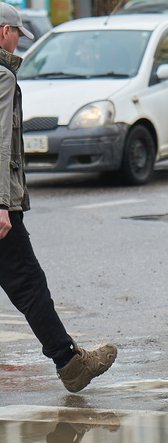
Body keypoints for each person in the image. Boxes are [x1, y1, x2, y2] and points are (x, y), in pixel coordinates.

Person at [0, 3, 117, 393]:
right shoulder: (2, 78)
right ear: (4, 32)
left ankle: (69, 360)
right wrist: (1, 204)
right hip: (0, 205)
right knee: (29, 284)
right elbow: (0, 144)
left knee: (25, 284)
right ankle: (70, 363)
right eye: (17, 35)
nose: (18, 43)